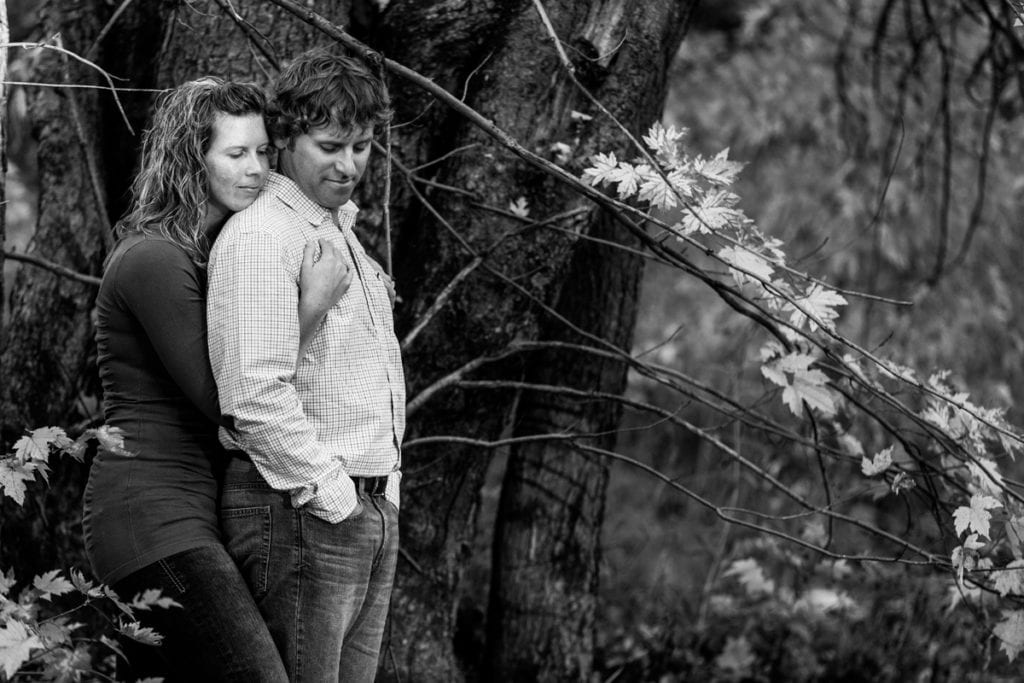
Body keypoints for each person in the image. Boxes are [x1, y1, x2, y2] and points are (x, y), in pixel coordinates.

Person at [83, 77, 351, 682]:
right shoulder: (153, 257)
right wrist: (312, 307)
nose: (256, 168)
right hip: (151, 518)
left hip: (203, 512)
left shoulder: (217, 250)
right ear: (191, 158)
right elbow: (229, 402)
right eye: (236, 154)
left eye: (262, 151)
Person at [207, 46, 405, 682]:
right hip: (300, 510)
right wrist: (336, 497)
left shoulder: (338, 228)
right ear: (286, 137)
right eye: (330, 146)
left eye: (363, 146)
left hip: (364, 510)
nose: (349, 165)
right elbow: (254, 396)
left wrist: (381, 497)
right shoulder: (266, 236)